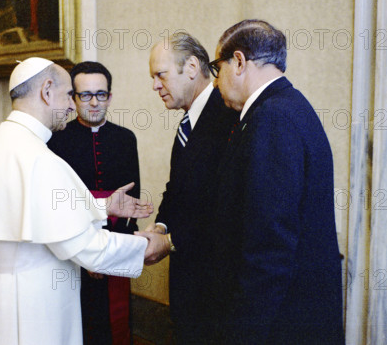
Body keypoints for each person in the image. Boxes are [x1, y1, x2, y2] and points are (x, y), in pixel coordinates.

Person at [0, 57, 157, 345]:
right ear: (47, 91)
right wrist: (149, 246)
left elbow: (36, 209)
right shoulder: (39, 157)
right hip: (33, 303)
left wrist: (102, 206)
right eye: (67, 95)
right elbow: (86, 248)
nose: (73, 105)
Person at [210, 19, 344, 344]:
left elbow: (270, 245)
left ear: (239, 62)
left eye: (218, 68)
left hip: (281, 323)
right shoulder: (291, 106)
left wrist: (243, 333)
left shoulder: (272, 117)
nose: (215, 83)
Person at [137, 32, 237, 344]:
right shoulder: (190, 120)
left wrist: (169, 242)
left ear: (192, 66)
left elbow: (227, 208)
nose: (155, 86)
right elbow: (177, 186)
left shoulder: (227, 116)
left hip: (216, 294)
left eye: (160, 75)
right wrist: (161, 226)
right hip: (188, 289)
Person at [48, 61, 140, 345]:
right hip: (72, 249)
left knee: (115, 323)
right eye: (85, 95)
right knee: (78, 323)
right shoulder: (56, 140)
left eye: (101, 94)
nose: (94, 102)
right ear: (74, 99)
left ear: (110, 97)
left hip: (114, 247)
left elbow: (131, 203)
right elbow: (56, 203)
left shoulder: (125, 139)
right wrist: (87, 254)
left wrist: (110, 252)